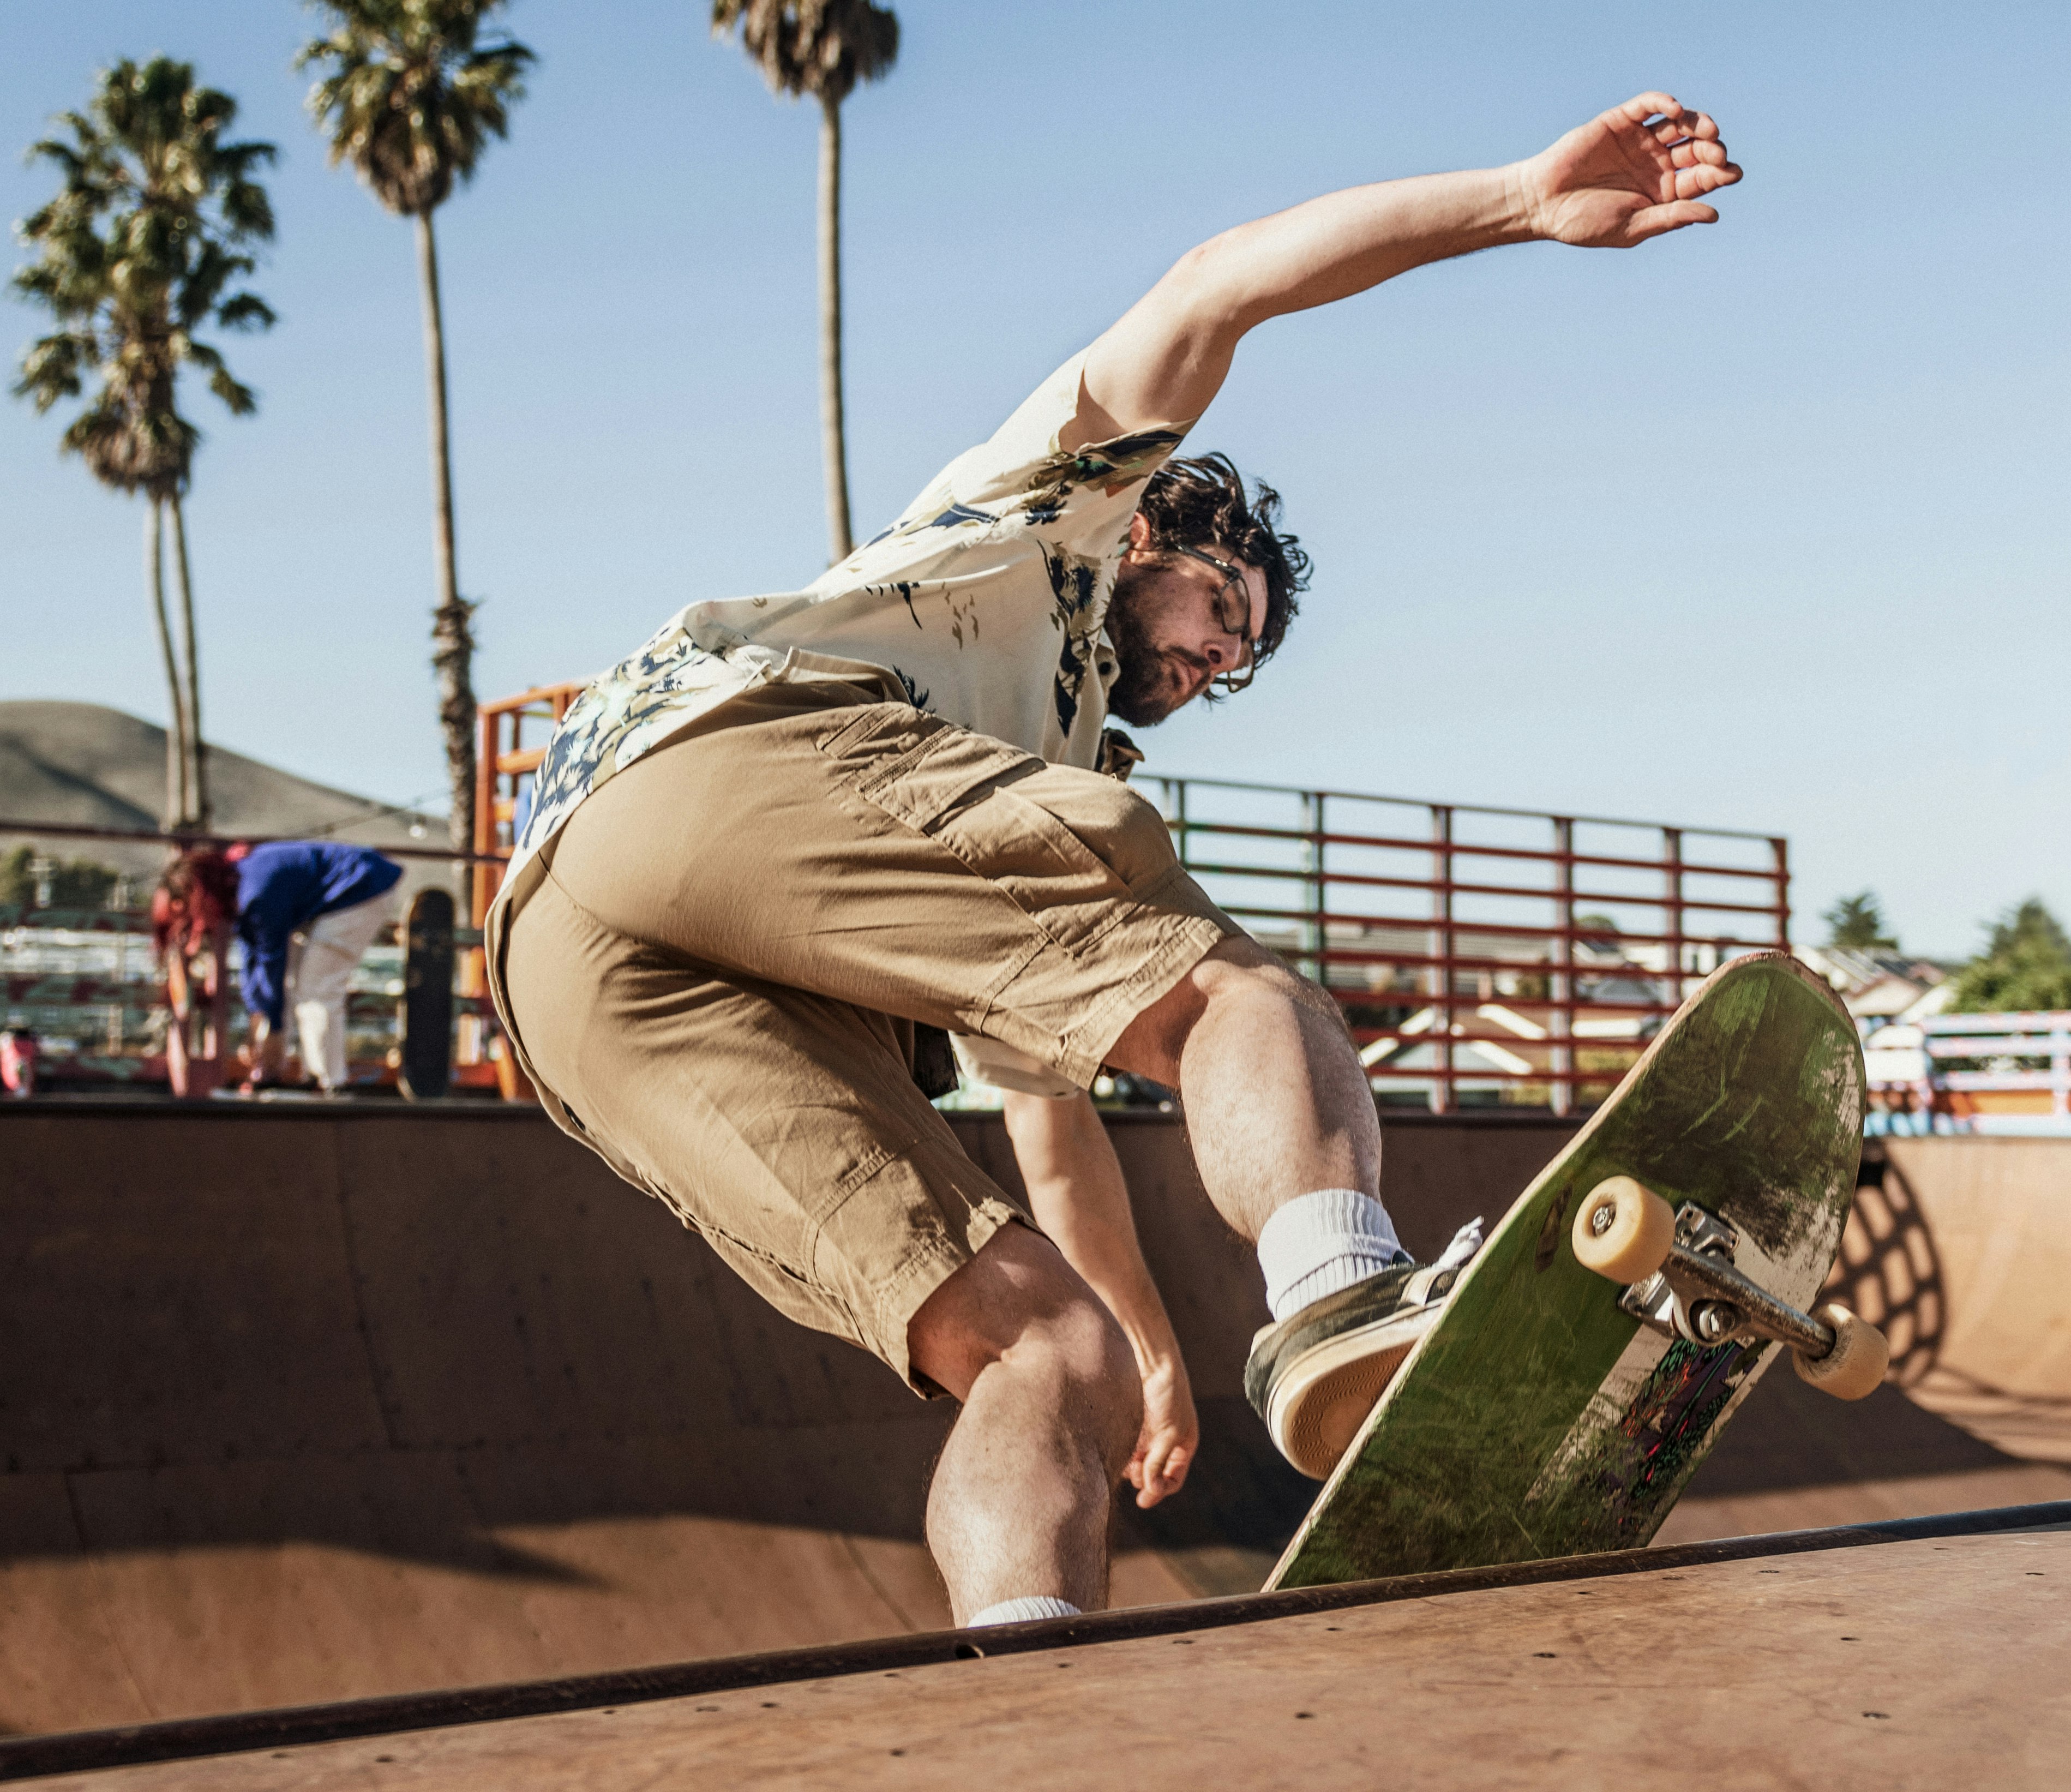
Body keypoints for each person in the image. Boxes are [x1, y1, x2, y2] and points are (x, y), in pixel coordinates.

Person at [487, 93, 1740, 1628]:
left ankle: (1037, 1704)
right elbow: (1225, 281)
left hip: (568, 968)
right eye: (1222, 604)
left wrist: (1145, 1341)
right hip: (724, 765)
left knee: (1042, 1354)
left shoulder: (1020, 796)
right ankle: (1342, 1294)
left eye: (1242, 658)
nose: (1218, 655)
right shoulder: (1061, 501)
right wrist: (1517, 202)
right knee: (1239, 993)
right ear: (1156, 528)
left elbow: (1054, 1127)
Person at [231, 840, 405, 1093]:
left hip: (362, 884)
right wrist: (255, 1018)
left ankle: (330, 1082)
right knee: (296, 985)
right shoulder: (244, 888)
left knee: (317, 989)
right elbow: (252, 960)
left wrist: (275, 1030)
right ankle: (278, 1069)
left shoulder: (255, 894)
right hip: (332, 895)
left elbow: (272, 961)